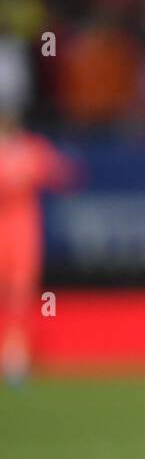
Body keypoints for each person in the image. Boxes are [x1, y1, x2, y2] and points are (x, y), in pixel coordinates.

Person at [0, 112, 74, 386]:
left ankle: (15, 359)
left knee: (20, 299)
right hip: (9, 232)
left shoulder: (32, 149)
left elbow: (64, 174)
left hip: (22, 236)